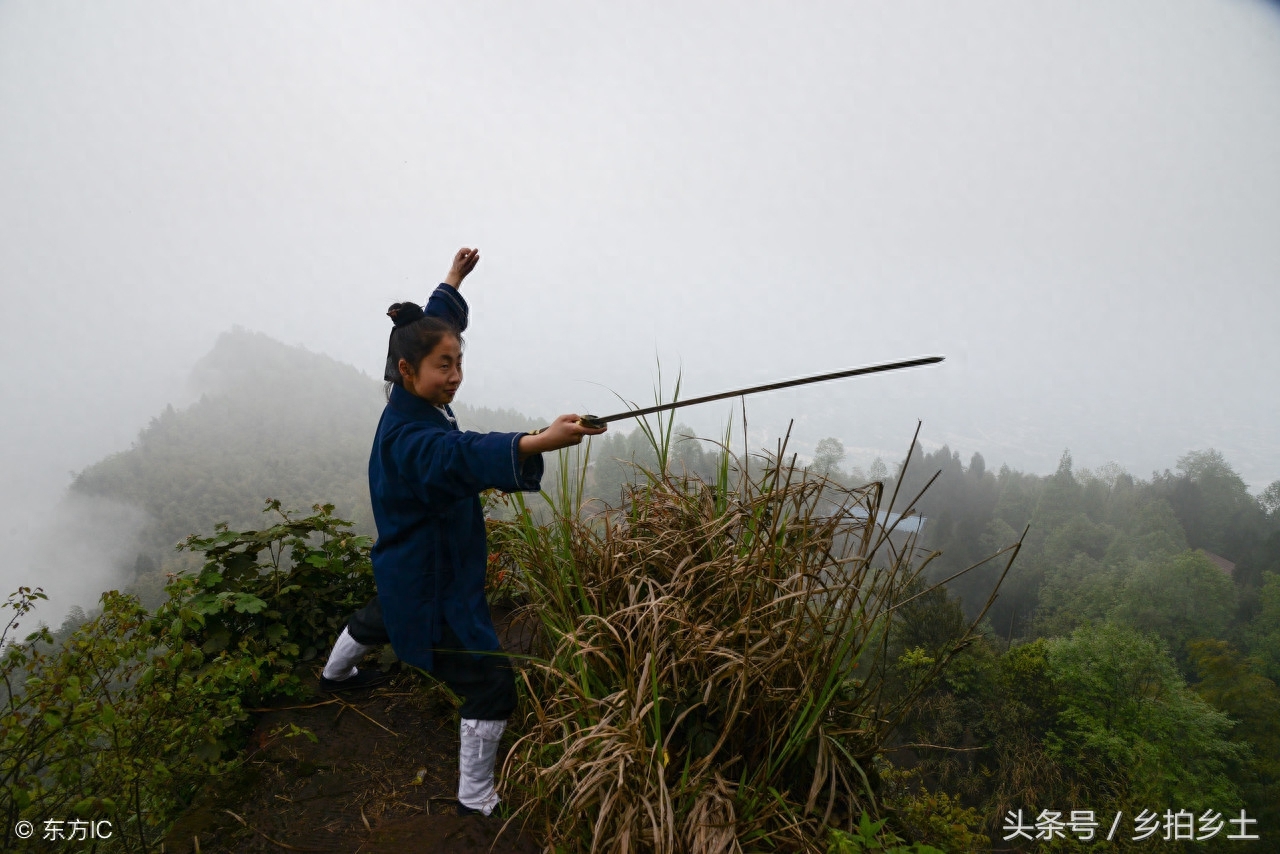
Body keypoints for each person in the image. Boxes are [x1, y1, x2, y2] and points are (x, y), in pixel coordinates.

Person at [317, 247, 605, 816]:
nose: (455, 375)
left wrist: (451, 280)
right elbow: (457, 457)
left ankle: (334, 673)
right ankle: (475, 797)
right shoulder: (409, 437)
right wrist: (536, 442)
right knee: (490, 684)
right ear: (407, 371)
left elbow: (430, 323)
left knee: (384, 608)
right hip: (432, 575)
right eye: (443, 366)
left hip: (406, 559)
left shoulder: (407, 374)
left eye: (457, 361)